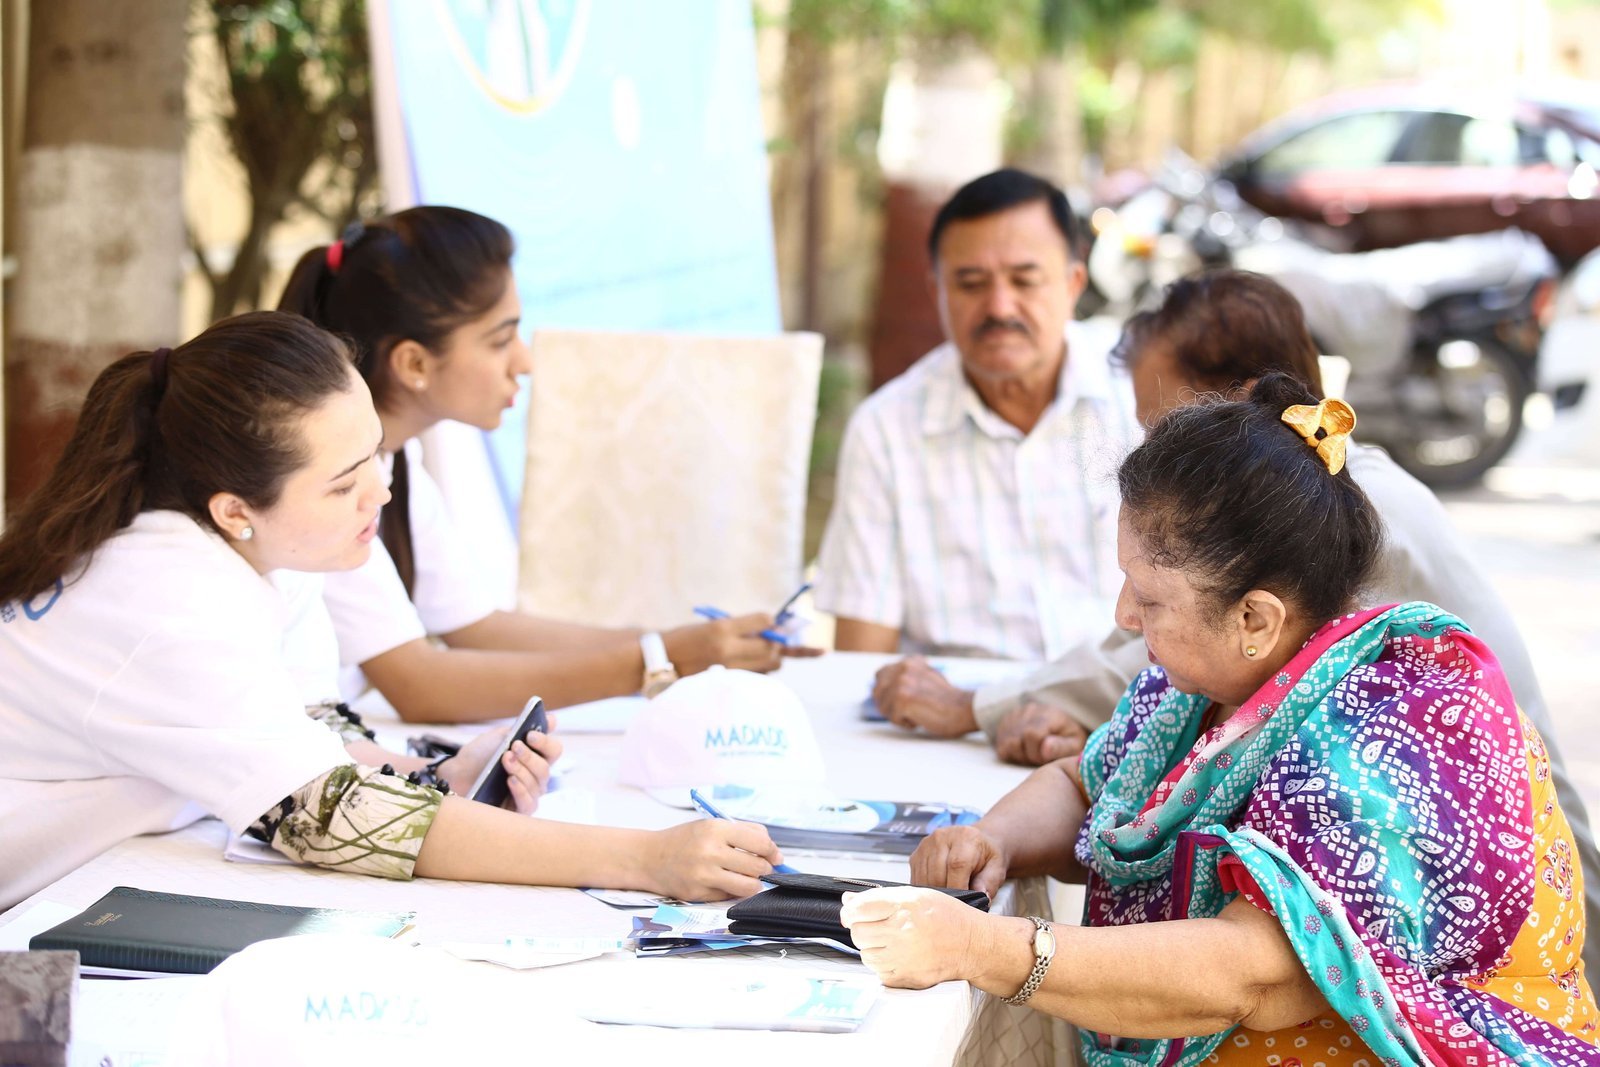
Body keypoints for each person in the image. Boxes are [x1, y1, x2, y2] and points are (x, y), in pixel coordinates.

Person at [844, 373, 1599, 1064]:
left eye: (1150, 598)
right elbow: (1090, 784)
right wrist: (995, 838)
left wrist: (987, 949)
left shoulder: (1391, 730)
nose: (1123, 614)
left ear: (1255, 619)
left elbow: (1252, 973)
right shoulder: (1198, 688)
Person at [0, 313, 784, 911]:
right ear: (235, 508)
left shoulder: (254, 551)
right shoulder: (170, 600)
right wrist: (645, 859)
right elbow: (325, 816)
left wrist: (436, 776)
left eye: (375, 457)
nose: (381, 490)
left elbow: (298, 728)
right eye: (343, 483)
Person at [277, 206, 804, 722]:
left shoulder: (397, 460)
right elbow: (419, 685)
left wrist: (693, 644)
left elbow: (475, 627)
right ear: (414, 363)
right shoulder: (326, 485)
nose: (524, 362)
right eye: (500, 340)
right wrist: (660, 660)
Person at [813, 168, 1141, 661]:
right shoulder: (885, 430)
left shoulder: (1138, 391)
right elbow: (863, 659)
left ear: (1074, 283)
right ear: (937, 292)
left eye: (1025, 280)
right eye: (970, 284)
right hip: (955, 707)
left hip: (1130, 700)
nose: (999, 307)